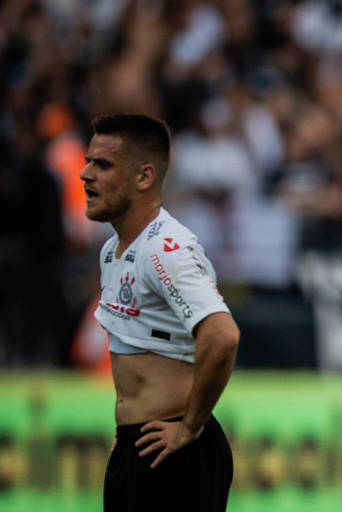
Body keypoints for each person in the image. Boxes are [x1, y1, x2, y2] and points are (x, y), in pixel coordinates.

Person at [81, 113, 240, 511]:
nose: (85, 174)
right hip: (139, 444)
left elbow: (222, 335)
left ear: (144, 177)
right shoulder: (112, 250)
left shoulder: (164, 249)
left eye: (102, 164)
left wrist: (190, 428)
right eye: (88, 161)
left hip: (174, 453)